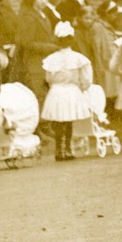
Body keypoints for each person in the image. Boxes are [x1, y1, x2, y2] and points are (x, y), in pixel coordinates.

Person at [41, 21, 93, 161]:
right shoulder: (77, 58)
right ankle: (68, 149)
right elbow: (87, 78)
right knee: (68, 121)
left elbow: (48, 78)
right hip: (70, 91)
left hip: (57, 91)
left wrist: (56, 84)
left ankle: (59, 149)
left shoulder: (52, 59)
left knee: (59, 121)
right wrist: (82, 87)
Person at [17, 0, 61, 101]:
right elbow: (27, 43)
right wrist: (50, 47)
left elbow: (46, 36)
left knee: (46, 95)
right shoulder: (29, 17)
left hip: (45, 61)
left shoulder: (44, 15)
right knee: (38, 94)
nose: (43, 1)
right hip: (34, 62)